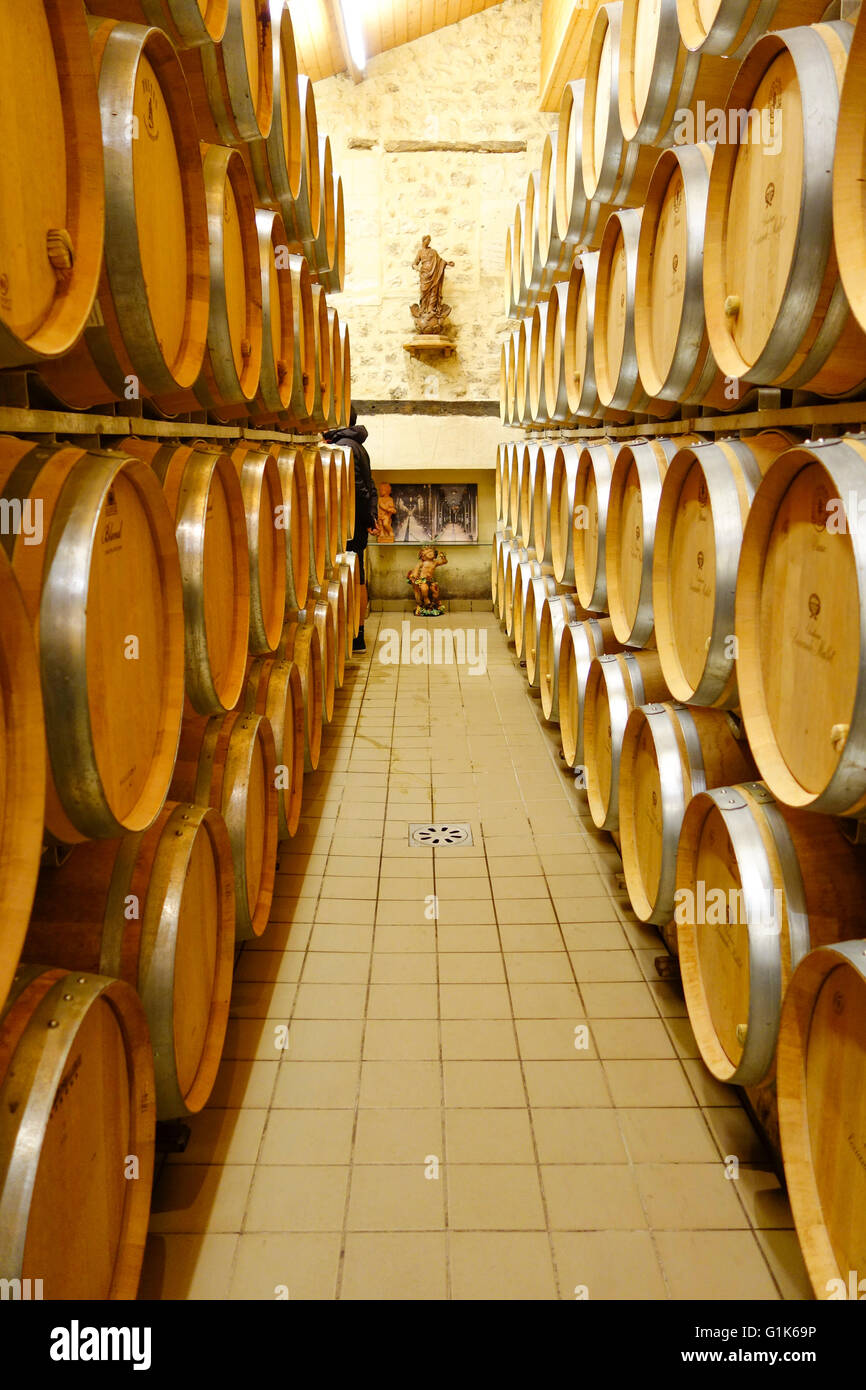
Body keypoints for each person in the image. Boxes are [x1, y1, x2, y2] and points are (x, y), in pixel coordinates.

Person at [322, 407, 378, 653]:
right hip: (356, 522)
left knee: (352, 577)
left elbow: (358, 489)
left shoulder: (344, 447)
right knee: (358, 575)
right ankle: (358, 635)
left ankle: (355, 634)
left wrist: (366, 518)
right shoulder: (356, 445)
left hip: (348, 524)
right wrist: (371, 517)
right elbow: (370, 485)